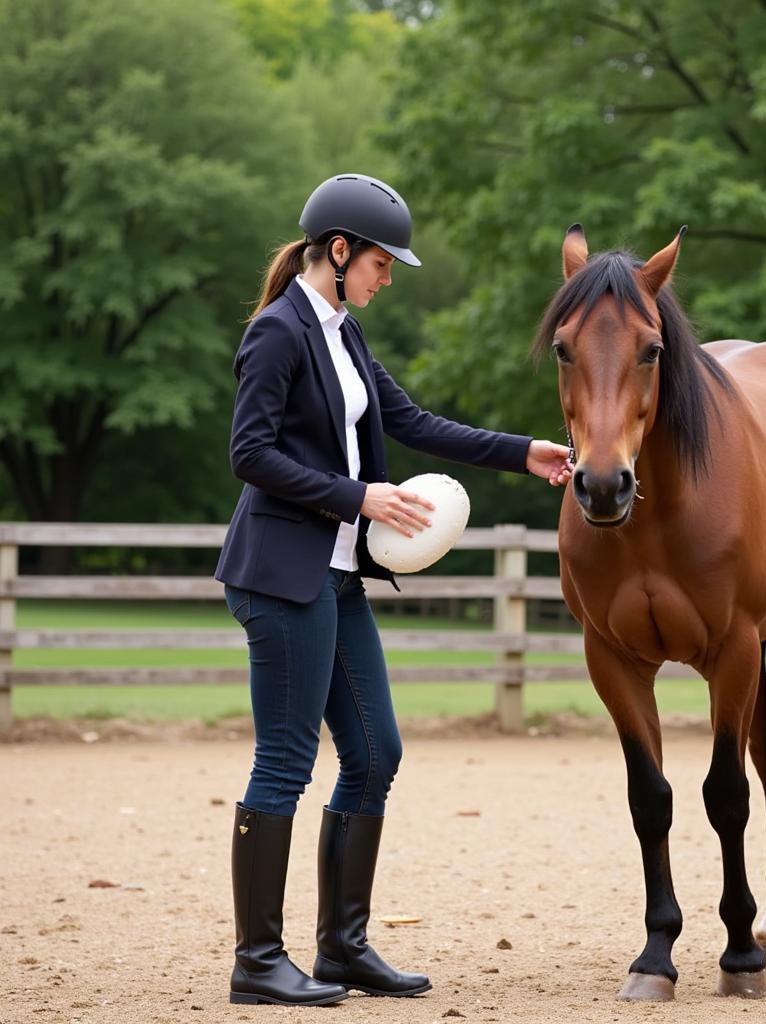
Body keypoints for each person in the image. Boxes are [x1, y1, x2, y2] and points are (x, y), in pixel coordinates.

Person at [214, 173, 572, 1007]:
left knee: (377, 754)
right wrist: (359, 497)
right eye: (381, 262)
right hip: (281, 576)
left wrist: (524, 451)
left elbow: (409, 422)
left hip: (336, 579)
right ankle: (257, 961)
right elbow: (249, 454)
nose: (387, 276)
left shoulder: (344, 335)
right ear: (338, 252)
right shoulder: (279, 333)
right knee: (287, 761)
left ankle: (341, 948)